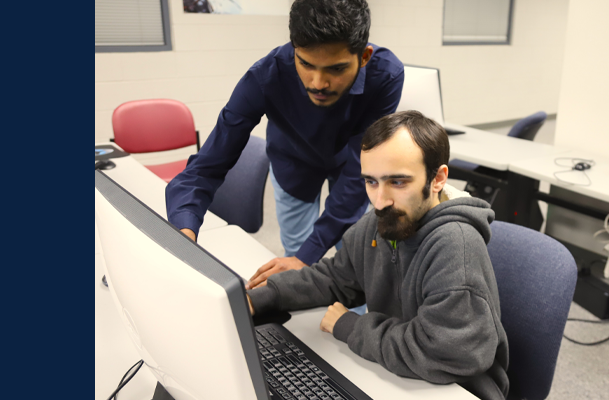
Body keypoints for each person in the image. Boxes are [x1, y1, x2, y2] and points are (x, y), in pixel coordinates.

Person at [246, 111, 510, 400]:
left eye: (398, 182)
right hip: (398, 376)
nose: (380, 200)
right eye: (371, 181)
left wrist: (350, 326)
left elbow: (446, 353)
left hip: (454, 389)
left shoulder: (455, 247)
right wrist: (261, 299)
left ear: (437, 179)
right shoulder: (384, 219)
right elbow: (336, 277)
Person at [166, 0, 404, 283]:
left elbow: (360, 167)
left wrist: (309, 254)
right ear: (294, 50)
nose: (318, 82)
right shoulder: (265, 77)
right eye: (305, 64)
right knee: (297, 266)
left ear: (364, 57)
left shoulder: (386, 75)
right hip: (293, 163)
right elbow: (206, 167)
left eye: (336, 69)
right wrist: (183, 234)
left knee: (357, 256)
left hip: (352, 163)